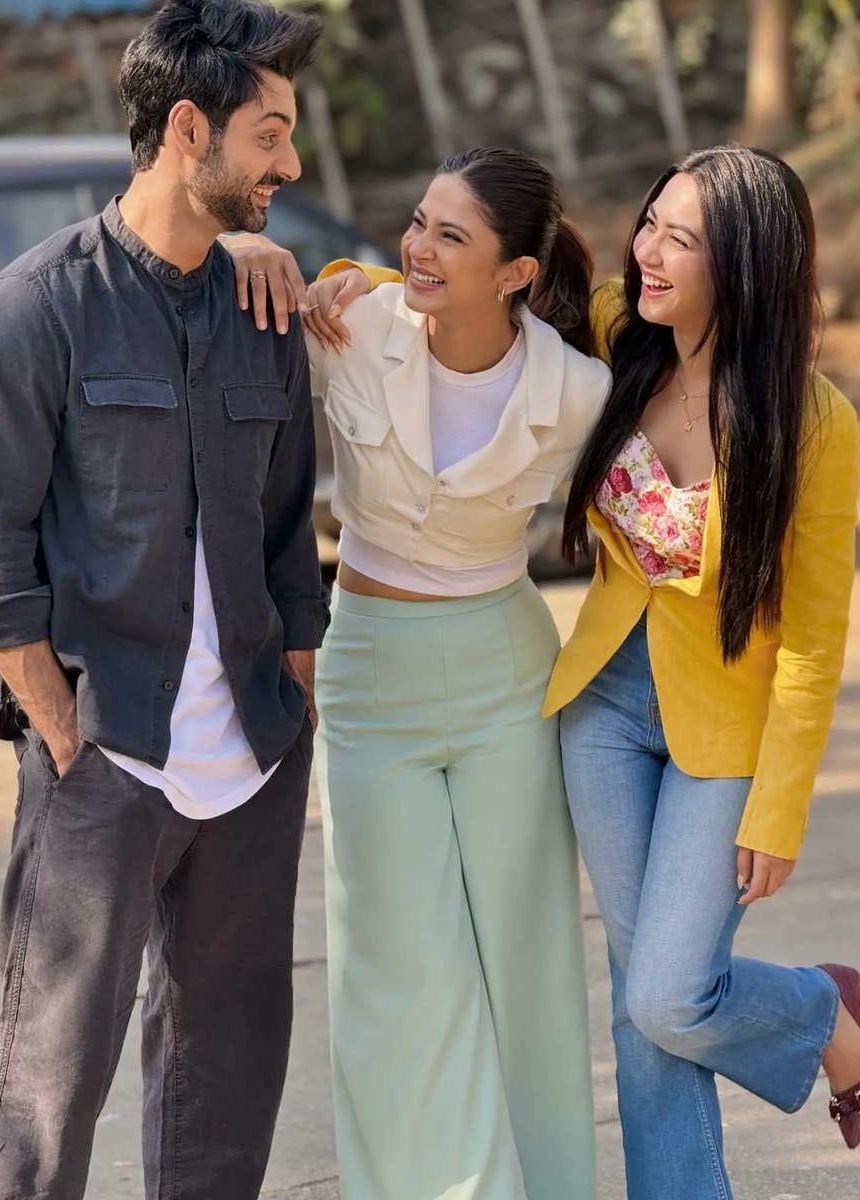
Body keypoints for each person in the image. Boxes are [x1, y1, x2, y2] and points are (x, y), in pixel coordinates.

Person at [0, 3, 326, 1197]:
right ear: (189, 128)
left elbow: (284, 526)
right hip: (104, 756)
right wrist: (58, 723)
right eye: (271, 135)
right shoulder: (28, 315)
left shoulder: (263, 311)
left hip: (253, 762)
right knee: (45, 1094)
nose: (291, 165)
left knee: (228, 1082)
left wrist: (290, 690)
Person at [224, 147, 611, 1199]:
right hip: (368, 671)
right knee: (397, 966)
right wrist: (246, 245)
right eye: (418, 223)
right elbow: (218, 317)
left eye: (452, 235)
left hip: (507, 676)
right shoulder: (350, 329)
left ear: (518, 272)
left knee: (525, 962)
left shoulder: (579, 392)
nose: (417, 247)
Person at [544, 145, 860, 1199]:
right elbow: (474, 282)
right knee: (640, 1003)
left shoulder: (814, 424)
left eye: (681, 238)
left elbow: (816, 635)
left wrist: (779, 808)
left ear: (747, 264)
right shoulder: (616, 337)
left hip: (719, 734)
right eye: (650, 225)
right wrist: (340, 279)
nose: (648, 251)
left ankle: (829, 1007)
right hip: (602, 707)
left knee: (670, 997)